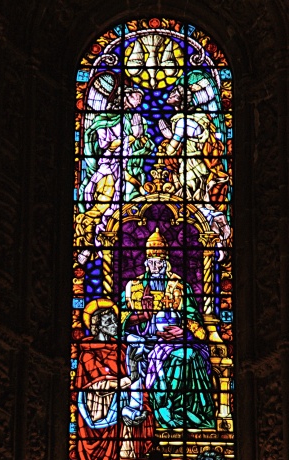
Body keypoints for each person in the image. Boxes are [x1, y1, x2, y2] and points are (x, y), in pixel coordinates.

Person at [68, 299, 153, 460]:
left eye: (115, 320)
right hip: (98, 424)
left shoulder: (124, 349)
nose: (115, 324)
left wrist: (136, 376)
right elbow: (95, 386)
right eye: (108, 321)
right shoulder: (87, 351)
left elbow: (136, 378)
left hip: (122, 421)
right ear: (97, 326)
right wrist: (127, 380)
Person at [122, 228, 216, 431]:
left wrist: (184, 330)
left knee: (189, 356)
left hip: (179, 341)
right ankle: (165, 413)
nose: (155, 266)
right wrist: (142, 317)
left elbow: (194, 318)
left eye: (159, 262)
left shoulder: (180, 286)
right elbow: (119, 319)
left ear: (165, 262)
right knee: (171, 359)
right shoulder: (134, 287)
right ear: (146, 262)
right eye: (152, 262)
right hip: (146, 342)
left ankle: (191, 415)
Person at [75, 86, 155, 263]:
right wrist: (130, 138)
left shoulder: (130, 119)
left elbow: (136, 150)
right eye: (137, 97)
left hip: (120, 169)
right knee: (102, 207)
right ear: (126, 96)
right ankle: (87, 243)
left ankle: (100, 247)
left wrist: (139, 139)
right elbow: (105, 144)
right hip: (107, 168)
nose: (140, 102)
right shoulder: (105, 119)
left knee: (113, 212)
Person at [158, 80, 230, 249]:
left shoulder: (183, 122)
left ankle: (213, 230)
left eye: (174, 93)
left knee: (191, 199)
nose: (169, 95)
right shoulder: (196, 118)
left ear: (181, 99)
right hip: (196, 164)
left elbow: (171, 150)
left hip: (191, 166)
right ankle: (215, 223)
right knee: (196, 199)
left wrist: (169, 138)